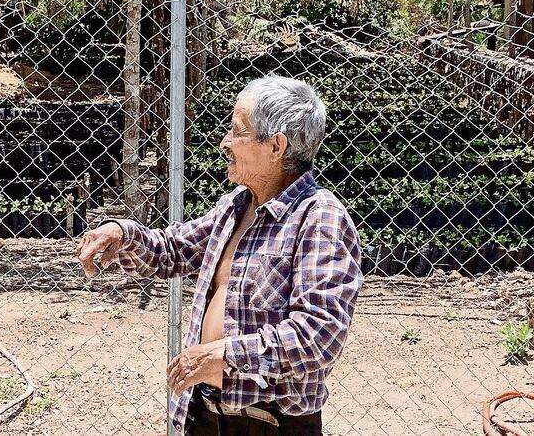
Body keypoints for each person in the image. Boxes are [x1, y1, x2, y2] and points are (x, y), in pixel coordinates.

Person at [76, 74, 363, 436]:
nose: (225, 142)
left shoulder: (319, 217)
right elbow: (173, 249)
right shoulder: (236, 206)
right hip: (206, 413)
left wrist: (226, 355)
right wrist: (121, 234)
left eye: (237, 131)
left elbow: (320, 333)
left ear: (276, 146)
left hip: (269, 423)